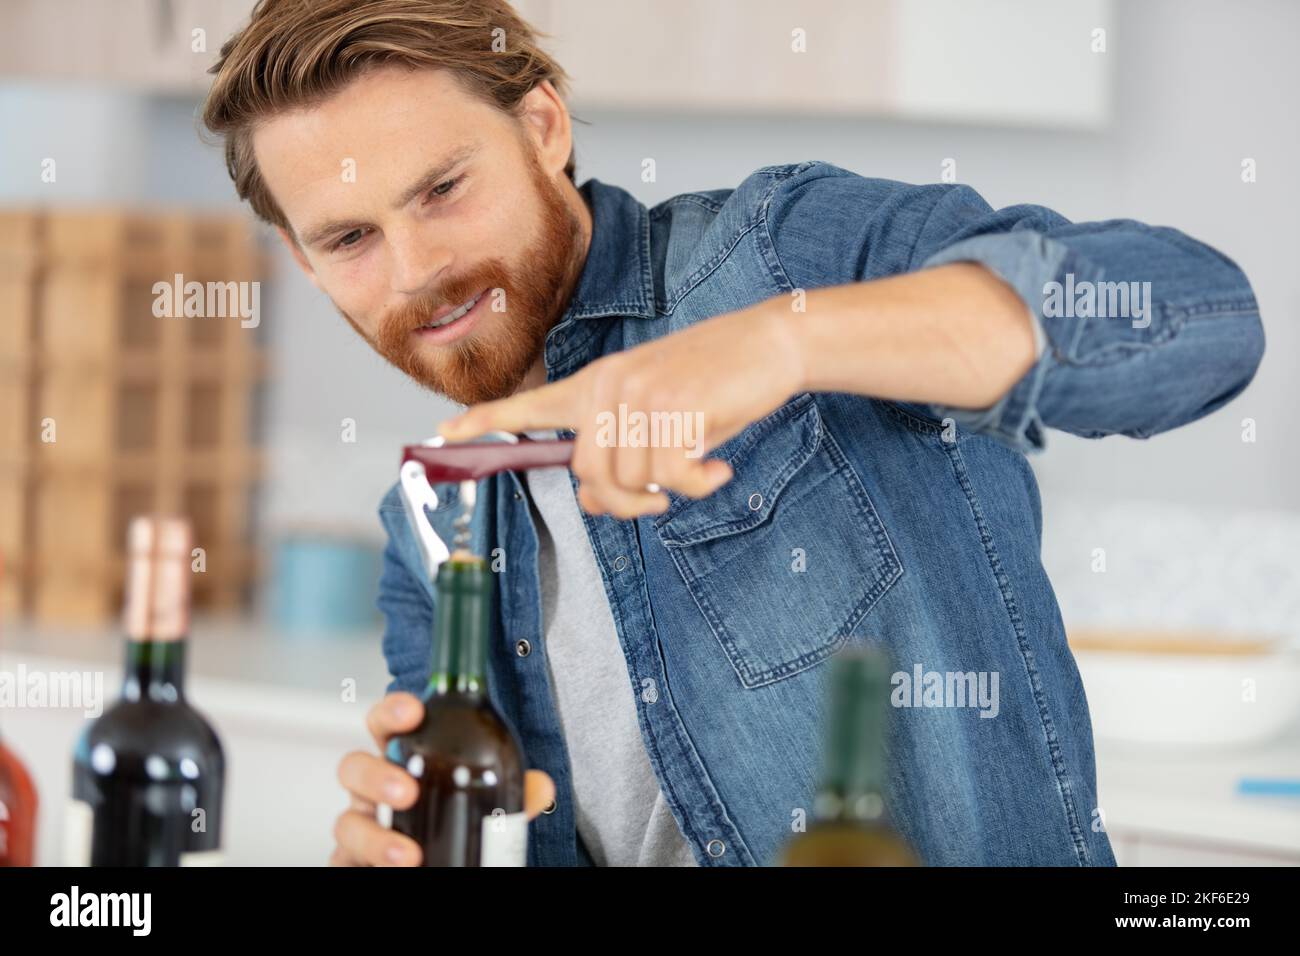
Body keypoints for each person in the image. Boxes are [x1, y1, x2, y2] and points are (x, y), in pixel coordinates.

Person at [201, 0, 1264, 866]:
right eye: (347, 238)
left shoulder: (777, 254)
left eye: (441, 188)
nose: (413, 269)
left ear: (541, 127)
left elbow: (1199, 317)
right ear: (302, 258)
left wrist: (781, 344)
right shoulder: (433, 522)